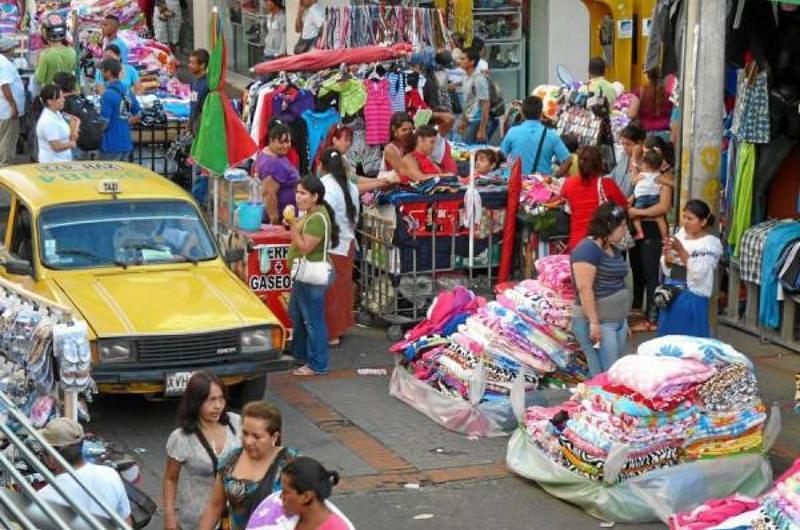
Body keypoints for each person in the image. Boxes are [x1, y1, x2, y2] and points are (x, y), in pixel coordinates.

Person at [198, 401, 297, 530]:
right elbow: (215, 506)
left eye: (257, 436)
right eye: (245, 433)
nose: (249, 441)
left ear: (274, 436)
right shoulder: (229, 461)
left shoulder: (291, 463)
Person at [163, 372, 241, 530]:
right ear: (196, 402)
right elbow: (170, 479)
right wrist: (169, 516)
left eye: (221, 398)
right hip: (197, 518)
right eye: (211, 400)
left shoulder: (236, 423)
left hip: (236, 517)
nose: (218, 406)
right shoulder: (181, 438)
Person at [570, 203, 632, 376]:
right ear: (609, 226)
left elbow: (620, 282)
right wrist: (594, 322)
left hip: (616, 321)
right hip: (600, 323)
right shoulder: (587, 249)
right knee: (605, 374)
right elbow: (584, 288)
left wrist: (623, 318)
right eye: (622, 226)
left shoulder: (613, 249)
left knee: (610, 372)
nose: (625, 231)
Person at [287, 177, 339, 376]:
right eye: (297, 192)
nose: (298, 197)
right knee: (297, 315)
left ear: (315, 196)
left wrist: (292, 225)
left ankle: (318, 364)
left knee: (313, 320)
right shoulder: (310, 213)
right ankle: (300, 356)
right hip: (302, 275)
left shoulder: (317, 219)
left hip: (312, 277)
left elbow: (304, 246)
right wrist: (294, 221)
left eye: (303, 193)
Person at [37, 418, 133, 525]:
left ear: (51, 457)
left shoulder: (45, 497)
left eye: (43, 452)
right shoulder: (110, 475)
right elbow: (126, 521)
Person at [627, 138, 675, 333]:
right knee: (638, 272)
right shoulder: (654, 179)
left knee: (651, 274)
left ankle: (652, 317)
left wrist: (637, 213)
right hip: (643, 230)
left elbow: (663, 207)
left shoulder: (664, 181)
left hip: (650, 232)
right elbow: (634, 196)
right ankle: (638, 309)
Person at [657, 200, 722, 338]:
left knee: (689, 337)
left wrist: (681, 251)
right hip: (671, 292)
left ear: (703, 222)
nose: (685, 222)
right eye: (684, 217)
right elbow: (668, 266)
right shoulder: (680, 234)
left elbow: (700, 272)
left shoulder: (710, 244)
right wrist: (666, 256)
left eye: (690, 219)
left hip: (691, 295)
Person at [320, 149, 359, 347]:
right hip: (347, 243)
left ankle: (332, 333)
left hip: (332, 245)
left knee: (330, 291)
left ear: (322, 166)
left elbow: (325, 219)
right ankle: (341, 328)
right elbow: (356, 216)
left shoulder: (324, 186)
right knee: (342, 288)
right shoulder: (351, 187)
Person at [560, 145, 628, 250]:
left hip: (577, 242)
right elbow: (624, 206)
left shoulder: (569, 183)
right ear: (600, 164)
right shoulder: (607, 184)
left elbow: (559, 199)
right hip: (601, 244)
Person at [499, 96, 570, 175]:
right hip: (540, 184)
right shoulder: (552, 135)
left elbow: (501, 156)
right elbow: (568, 161)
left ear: (522, 113)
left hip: (515, 181)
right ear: (541, 113)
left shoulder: (512, 132)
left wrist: (507, 170)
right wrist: (554, 177)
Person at [313, 124, 391, 193]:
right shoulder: (331, 160)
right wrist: (377, 183)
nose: (349, 144)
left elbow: (353, 178)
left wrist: (379, 181)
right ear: (335, 140)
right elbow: (350, 188)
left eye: (350, 140)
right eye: (346, 140)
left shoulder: (340, 157)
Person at [280, 457, 351, 530]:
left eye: (285, 492)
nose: (280, 497)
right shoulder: (291, 515)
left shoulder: (337, 528)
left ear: (306, 497)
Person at [254, 121, 299, 224]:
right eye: (281, 142)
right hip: (281, 220)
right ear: (271, 140)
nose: (286, 146)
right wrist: (274, 219)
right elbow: (269, 193)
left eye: (288, 141)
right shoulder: (273, 164)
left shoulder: (268, 152)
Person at [98, 58, 141, 161]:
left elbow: (105, 122)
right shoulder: (127, 91)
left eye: (102, 71)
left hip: (111, 145)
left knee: (108, 176)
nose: (101, 73)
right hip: (126, 142)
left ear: (108, 72)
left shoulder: (107, 95)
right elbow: (139, 113)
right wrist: (125, 122)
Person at [629, 150, 668, 240]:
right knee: (660, 218)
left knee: (635, 217)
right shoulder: (659, 176)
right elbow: (671, 183)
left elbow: (633, 181)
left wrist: (635, 170)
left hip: (641, 199)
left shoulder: (642, 174)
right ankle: (665, 238)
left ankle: (640, 232)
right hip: (654, 198)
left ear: (645, 165)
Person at [187, 49, 210, 204]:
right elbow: (193, 107)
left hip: (203, 132)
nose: (189, 66)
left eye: (192, 63)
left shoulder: (207, 85)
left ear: (202, 65)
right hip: (195, 130)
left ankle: (198, 199)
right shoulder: (194, 82)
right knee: (195, 165)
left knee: (201, 168)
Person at [627, 68, 675, 138]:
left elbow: (632, 114)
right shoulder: (669, 93)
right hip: (666, 133)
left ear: (647, 75)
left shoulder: (640, 92)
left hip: (646, 134)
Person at [36, 84, 78, 163]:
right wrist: (72, 144)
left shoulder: (57, 113)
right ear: (50, 101)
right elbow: (56, 146)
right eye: (60, 97)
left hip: (63, 161)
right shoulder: (48, 120)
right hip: (53, 163)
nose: (63, 99)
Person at [34, 14, 77, 88]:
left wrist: (37, 64)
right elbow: (73, 71)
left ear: (45, 33)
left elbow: (39, 80)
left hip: (52, 95)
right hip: (67, 91)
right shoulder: (72, 52)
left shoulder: (45, 55)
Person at [457, 47, 490, 144]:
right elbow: (467, 101)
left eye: (463, 59)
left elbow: (485, 104)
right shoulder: (465, 76)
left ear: (472, 62)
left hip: (476, 121)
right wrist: (463, 119)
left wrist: (482, 129)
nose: (460, 61)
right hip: (469, 120)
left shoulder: (479, 79)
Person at [0, 38, 24, 167]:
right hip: (7, 109)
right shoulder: (4, 64)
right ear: (8, 49)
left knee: (4, 138)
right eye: (13, 48)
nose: (15, 50)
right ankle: (5, 167)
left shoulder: (4, 62)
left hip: (4, 108)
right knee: (8, 140)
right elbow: (5, 86)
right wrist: (13, 105)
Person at [611, 123, 646, 197]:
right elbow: (613, 175)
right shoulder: (625, 156)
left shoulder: (646, 161)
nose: (624, 147)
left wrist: (634, 158)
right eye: (623, 144)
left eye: (628, 144)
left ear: (639, 143)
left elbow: (635, 183)